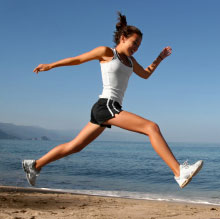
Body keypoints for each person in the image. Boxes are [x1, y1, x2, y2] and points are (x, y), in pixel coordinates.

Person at [22, 12, 203, 188]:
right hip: (106, 105)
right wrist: (51, 65)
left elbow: (146, 74)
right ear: (123, 38)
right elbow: (77, 59)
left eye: (139, 45)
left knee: (74, 146)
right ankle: (179, 172)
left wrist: (160, 58)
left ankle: (34, 165)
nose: (136, 47)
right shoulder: (107, 52)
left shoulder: (131, 61)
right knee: (151, 127)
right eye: (134, 42)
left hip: (106, 108)